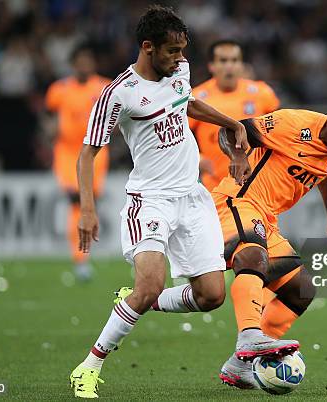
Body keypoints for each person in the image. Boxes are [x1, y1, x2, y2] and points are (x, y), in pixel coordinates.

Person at [68, 6, 296, 398]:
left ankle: (138, 301)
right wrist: (87, 210)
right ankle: (89, 366)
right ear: (147, 47)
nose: (179, 58)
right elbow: (87, 154)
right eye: (171, 51)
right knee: (151, 284)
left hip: (192, 197)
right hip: (151, 200)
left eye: (182, 51)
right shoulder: (119, 94)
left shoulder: (179, 70)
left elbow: (186, 103)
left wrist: (232, 123)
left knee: (211, 296)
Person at [214, 94, 327, 388]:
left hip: (267, 217)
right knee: (253, 258)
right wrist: (238, 158)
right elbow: (232, 129)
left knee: (300, 291)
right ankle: (250, 336)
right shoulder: (293, 124)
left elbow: (325, 171)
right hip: (237, 200)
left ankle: (240, 365)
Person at [45, 45, 110, 281]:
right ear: (73, 65)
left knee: (89, 203)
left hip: (95, 152)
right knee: (76, 201)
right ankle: (81, 259)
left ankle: (84, 254)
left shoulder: (104, 87)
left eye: (88, 61)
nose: (84, 66)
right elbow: (49, 116)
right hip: (67, 152)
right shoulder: (58, 90)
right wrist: (50, 130)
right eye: (80, 62)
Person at [190, 40, 280, 191]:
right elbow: (181, 136)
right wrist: (197, 158)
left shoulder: (262, 93)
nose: (229, 66)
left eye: (234, 60)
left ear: (241, 65)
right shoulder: (196, 98)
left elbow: (280, 131)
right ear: (211, 66)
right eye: (223, 61)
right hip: (214, 187)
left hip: (257, 185)